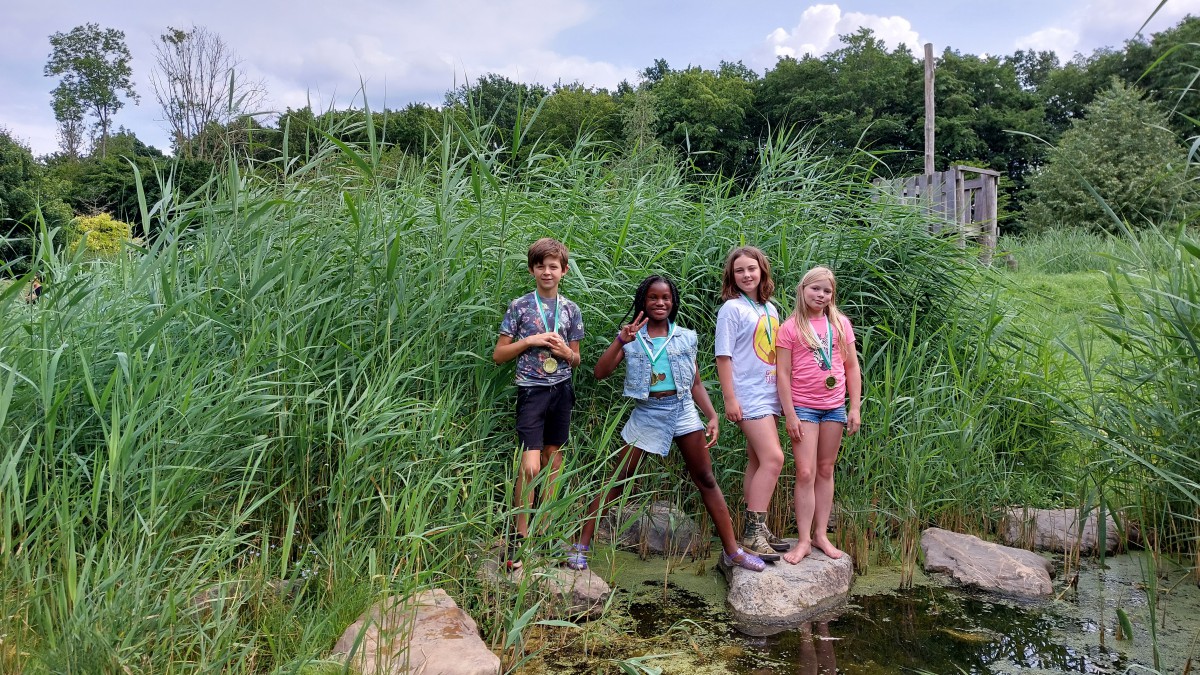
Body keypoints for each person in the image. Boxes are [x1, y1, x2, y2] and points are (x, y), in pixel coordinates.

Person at [566, 274, 766, 573]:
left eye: (666, 298)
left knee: (707, 480)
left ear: (673, 303)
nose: (660, 303)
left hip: (683, 410)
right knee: (617, 479)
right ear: (643, 302)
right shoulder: (632, 336)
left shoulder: (685, 336)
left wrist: (710, 415)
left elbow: (695, 382)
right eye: (653, 298)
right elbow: (600, 372)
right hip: (647, 412)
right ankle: (581, 545)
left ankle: (733, 552)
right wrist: (621, 339)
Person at [493, 238, 585, 569]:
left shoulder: (571, 310)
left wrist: (565, 354)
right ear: (532, 269)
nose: (547, 271)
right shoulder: (519, 307)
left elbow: (576, 359)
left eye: (554, 266)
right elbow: (499, 355)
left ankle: (543, 535)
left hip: (561, 390)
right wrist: (529, 340)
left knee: (553, 462)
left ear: (563, 271)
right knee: (530, 466)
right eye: (541, 266)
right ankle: (521, 538)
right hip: (531, 392)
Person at [776, 266, 862, 564]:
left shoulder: (840, 324)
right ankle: (802, 541)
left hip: (835, 407)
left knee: (825, 469)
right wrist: (790, 415)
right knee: (805, 472)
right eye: (816, 289)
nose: (821, 295)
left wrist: (854, 407)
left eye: (827, 291)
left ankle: (821, 535)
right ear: (803, 289)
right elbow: (783, 374)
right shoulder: (790, 327)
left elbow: (851, 367)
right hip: (804, 408)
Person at [715, 246, 789, 557]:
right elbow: (723, 355)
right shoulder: (731, 309)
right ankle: (752, 532)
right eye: (740, 270)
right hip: (748, 396)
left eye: (752, 269)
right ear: (732, 276)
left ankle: (759, 526)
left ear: (762, 272)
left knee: (758, 461)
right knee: (775, 459)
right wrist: (730, 399)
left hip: (769, 394)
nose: (747, 275)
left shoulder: (769, 309)